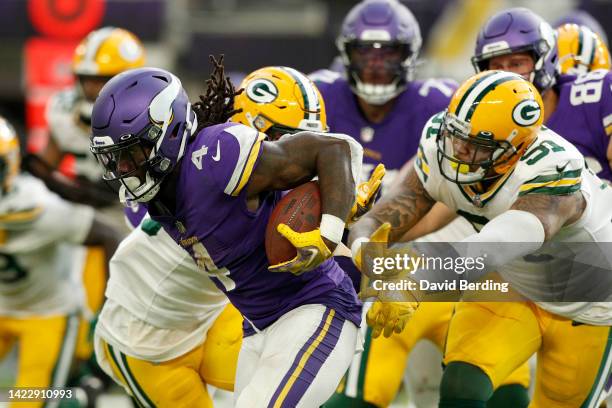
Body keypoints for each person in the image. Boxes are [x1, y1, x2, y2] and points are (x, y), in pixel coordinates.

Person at [90, 58, 366, 407]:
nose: (124, 169)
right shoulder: (210, 164)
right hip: (147, 337)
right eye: (277, 136)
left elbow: (335, 154)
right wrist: (354, 246)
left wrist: (336, 226)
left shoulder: (215, 165)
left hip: (271, 315)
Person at [349, 70, 612, 408]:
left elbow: (495, 245)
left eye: (478, 146)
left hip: (588, 302)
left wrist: (418, 282)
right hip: (514, 282)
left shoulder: (554, 168)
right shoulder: (440, 139)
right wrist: (361, 245)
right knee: (462, 385)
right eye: (457, 135)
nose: (458, 149)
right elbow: (393, 211)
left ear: (516, 151)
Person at [0, 116, 120, 406]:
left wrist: (109, 304)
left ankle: (78, 397)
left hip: (47, 312)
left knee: (30, 401)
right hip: (4, 304)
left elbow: (108, 234)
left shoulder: (39, 207)